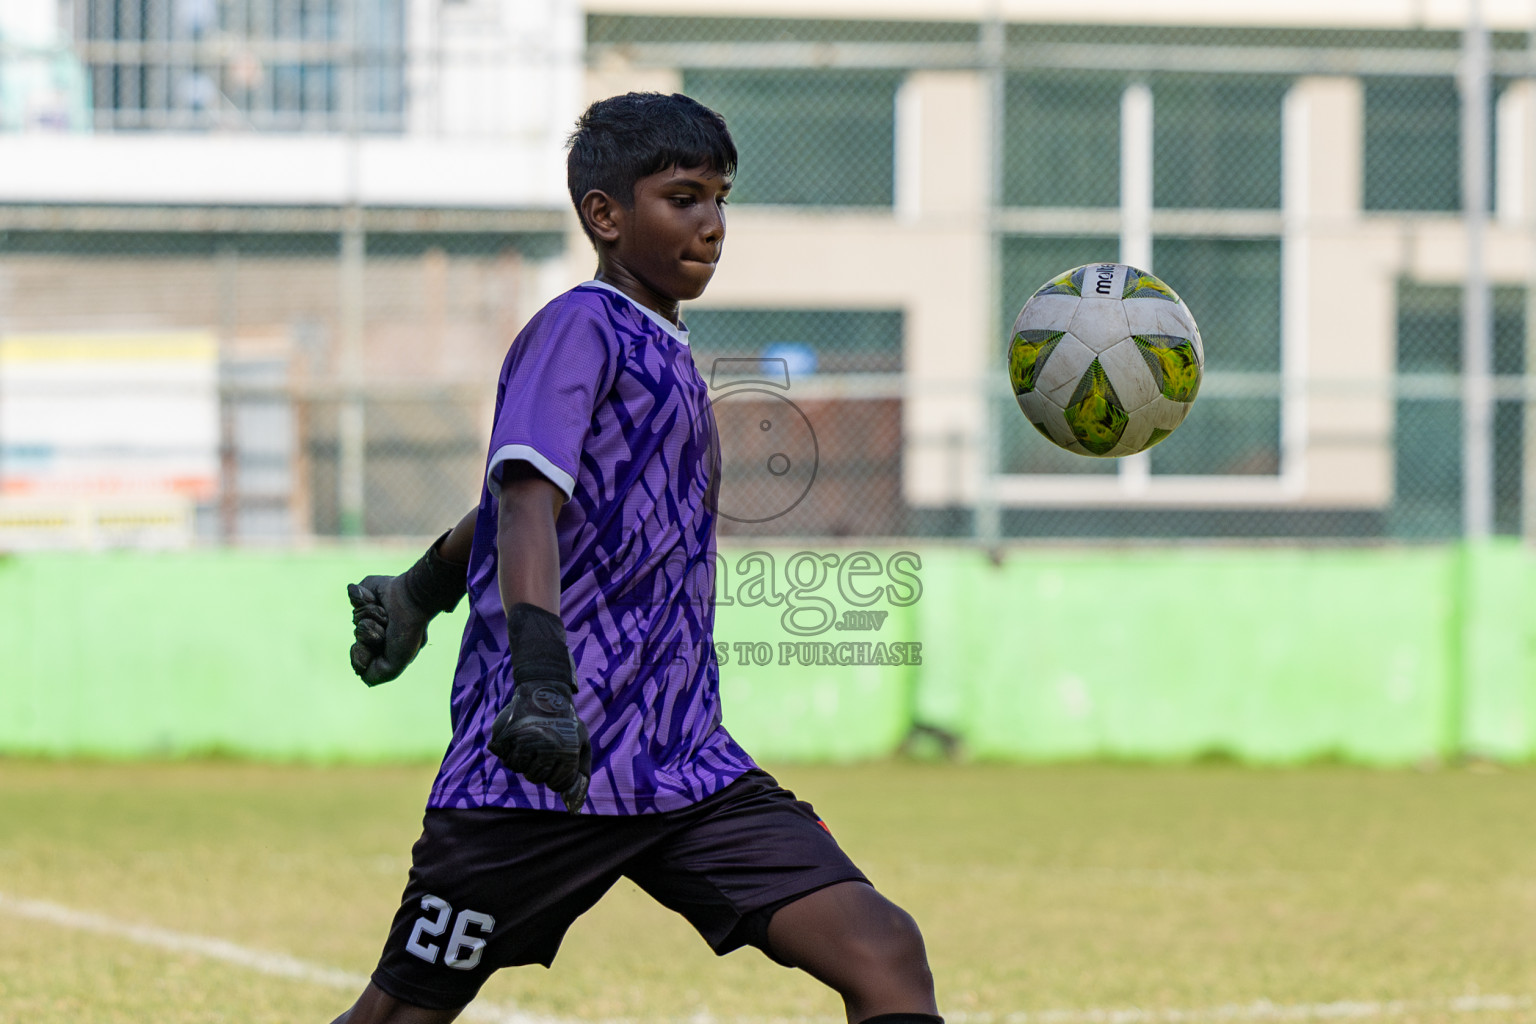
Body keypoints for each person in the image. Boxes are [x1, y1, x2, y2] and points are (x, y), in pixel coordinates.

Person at [335, 91, 940, 1024]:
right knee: (398, 1017)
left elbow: (547, 498)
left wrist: (421, 589)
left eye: (721, 198)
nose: (713, 224)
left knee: (883, 950)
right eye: (684, 197)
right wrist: (539, 682)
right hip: (541, 777)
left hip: (682, 765)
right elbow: (525, 496)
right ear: (606, 216)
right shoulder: (579, 326)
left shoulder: (665, 349)